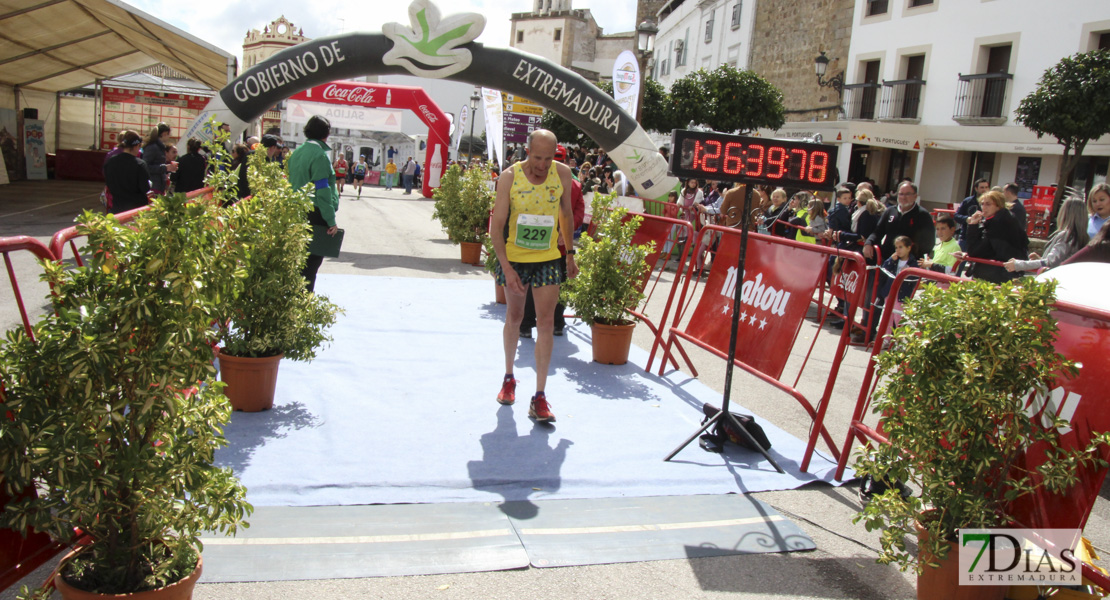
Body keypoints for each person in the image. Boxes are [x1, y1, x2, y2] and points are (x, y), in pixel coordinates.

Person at [491, 129, 578, 423]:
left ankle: (540, 396)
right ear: (527, 151)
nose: (543, 164)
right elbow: (497, 225)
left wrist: (570, 253)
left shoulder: (562, 174)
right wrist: (506, 267)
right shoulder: (509, 177)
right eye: (538, 157)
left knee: (546, 323)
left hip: (547, 258)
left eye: (549, 158)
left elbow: (566, 214)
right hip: (516, 259)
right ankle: (508, 377)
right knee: (515, 319)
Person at [521, 144, 584, 339]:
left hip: (539, 244)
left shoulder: (533, 181)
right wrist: (565, 233)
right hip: (559, 245)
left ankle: (527, 324)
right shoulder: (574, 185)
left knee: (534, 284)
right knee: (560, 284)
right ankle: (556, 323)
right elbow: (578, 213)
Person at [859, 182, 934, 343]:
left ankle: (893, 338)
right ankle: (869, 331)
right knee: (878, 297)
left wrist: (910, 255)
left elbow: (929, 243)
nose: (903, 197)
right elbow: (877, 232)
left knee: (899, 305)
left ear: (915, 196)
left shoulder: (922, 215)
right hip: (888, 264)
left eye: (907, 194)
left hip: (908, 268)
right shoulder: (890, 211)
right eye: (901, 194)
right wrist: (868, 244)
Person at [287, 115, 340, 293]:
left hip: (296, 210)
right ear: (326, 133)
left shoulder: (297, 152)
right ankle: (304, 302)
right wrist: (331, 220)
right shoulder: (320, 156)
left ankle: (293, 298)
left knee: (298, 260)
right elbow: (323, 191)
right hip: (315, 213)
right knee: (311, 264)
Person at [960, 189, 1028, 284]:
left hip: (995, 274)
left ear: (998, 205)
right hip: (998, 272)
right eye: (982, 204)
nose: (984, 207)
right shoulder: (1003, 218)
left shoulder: (998, 223)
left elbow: (974, 251)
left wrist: (972, 226)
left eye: (988, 204)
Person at [1005, 196, 1088, 273]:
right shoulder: (1083, 237)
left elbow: (1050, 262)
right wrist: (1040, 259)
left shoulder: (1067, 236)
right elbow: (1058, 260)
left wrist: (1018, 265)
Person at [102, 130, 150, 214]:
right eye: (140, 147)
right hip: (136, 209)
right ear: (136, 146)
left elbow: (108, 181)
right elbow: (145, 188)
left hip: (116, 207)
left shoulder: (111, 161)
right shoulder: (140, 164)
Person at [141, 123, 177, 196]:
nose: (169, 136)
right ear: (164, 133)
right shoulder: (153, 147)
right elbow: (145, 166)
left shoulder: (159, 147)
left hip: (158, 186)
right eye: (168, 134)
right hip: (153, 187)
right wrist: (165, 167)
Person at [955, 178, 990, 250]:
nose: (984, 190)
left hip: (983, 239)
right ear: (976, 189)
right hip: (966, 237)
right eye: (982, 187)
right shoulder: (968, 201)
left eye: (986, 187)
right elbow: (956, 216)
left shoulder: (992, 203)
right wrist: (967, 219)